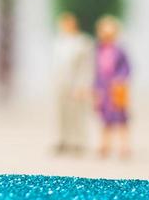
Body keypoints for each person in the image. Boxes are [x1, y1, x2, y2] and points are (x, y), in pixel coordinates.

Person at [50, 13, 93, 154]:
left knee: (77, 113)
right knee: (61, 113)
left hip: (75, 84)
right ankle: (63, 140)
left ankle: (79, 141)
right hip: (60, 83)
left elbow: (87, 67)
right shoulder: (59, 42)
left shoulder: (83, 42)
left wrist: (83, 85)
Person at [92, 16, 132, 159]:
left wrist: (120, 78)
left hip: (117, 88)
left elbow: (126, 67)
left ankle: (124, 146)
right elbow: (94, 71)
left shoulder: (119, 50)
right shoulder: (98, 50)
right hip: (103, 87)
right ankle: (105, 144)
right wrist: (95, 88)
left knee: (121, 118)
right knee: (105, 119)